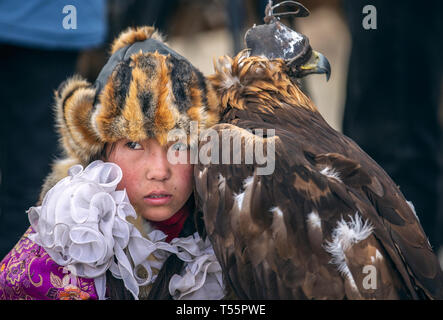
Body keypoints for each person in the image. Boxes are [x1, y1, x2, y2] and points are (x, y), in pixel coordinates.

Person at [0, 26, 225, 300]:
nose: (159, 171)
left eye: (179, 146)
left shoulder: (228, 235)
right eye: (133, 144)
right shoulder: (63, 248)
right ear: (99, 154)